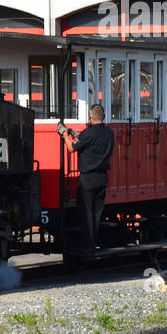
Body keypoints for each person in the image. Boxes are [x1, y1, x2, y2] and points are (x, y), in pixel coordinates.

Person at [59, 105, 114, 250]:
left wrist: (65, 134)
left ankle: (87, 244)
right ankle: (94, 242)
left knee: (86, 212)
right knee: (97, 212)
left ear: (90, 117)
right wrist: (79, 136)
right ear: (103, 116)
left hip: (88, 178)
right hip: (102, 177)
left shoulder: (88, 133)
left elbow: (71, 148)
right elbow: (91, 143)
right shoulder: (109, 133)